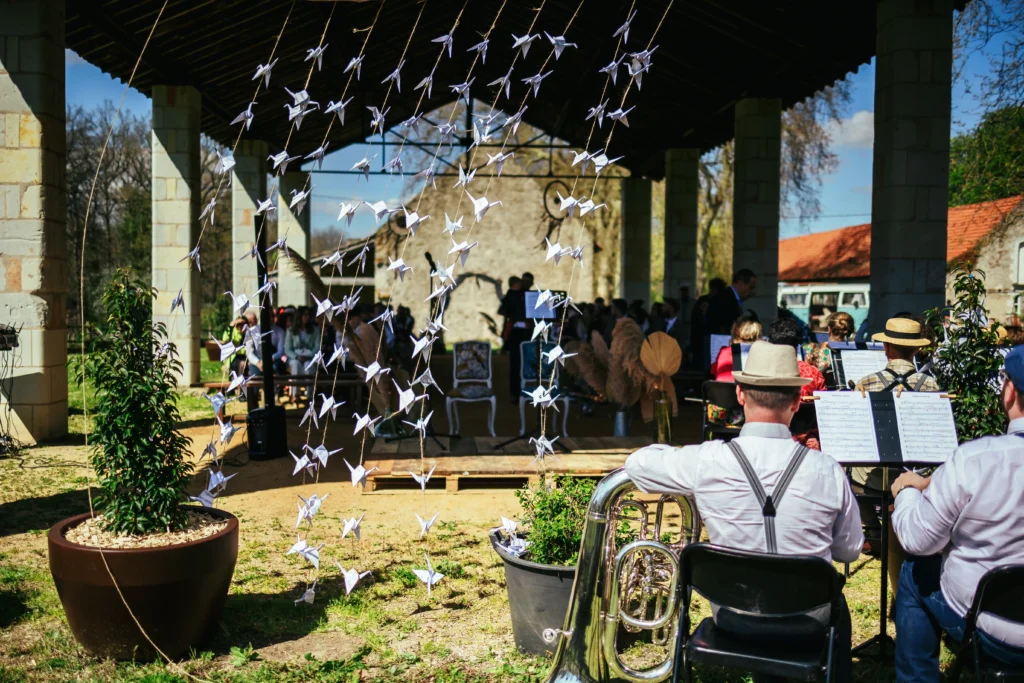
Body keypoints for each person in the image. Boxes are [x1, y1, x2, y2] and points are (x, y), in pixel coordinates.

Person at [626, 342, 862, 682]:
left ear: (739, 395)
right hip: (808, 621)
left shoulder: (708, 460)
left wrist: (677, 453)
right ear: (797, 401)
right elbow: (848, 550)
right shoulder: (828, 470)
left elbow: (637, 464)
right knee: (838, 605)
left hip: (733, 616)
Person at [889, 345, 1024, 681]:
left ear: (1009, 392)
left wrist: (907, 492)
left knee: (914, 571)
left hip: (993, 629)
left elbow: (919, 541)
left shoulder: (975, 460)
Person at [853, 316, 941, 574]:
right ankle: (901, 538)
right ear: (917, 350)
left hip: (876, 476)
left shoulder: (867, 382)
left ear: (887, 348)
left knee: (852, 476)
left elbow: (858, 434)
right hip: (915, 475)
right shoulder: (931, 385)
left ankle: (876, 535)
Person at [766, 318, 826, 398]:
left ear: (770, 344)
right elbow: (823, 402)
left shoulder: (760, 370)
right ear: (797, 345)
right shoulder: (813, 373)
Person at [804, 311, 855, 385]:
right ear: (851, 331)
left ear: (829, 329)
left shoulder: (813, 349)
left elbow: (806, 377)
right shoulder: (856, 352)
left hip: (820, 393)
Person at [707, 269, 757, 336]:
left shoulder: (730, 298)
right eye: (751, 287)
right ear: (740, 284)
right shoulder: (725, 298)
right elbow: (725, 327)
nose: (752, 292)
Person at [285, 307, 319, 401]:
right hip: (296, 357)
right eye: (305, 315)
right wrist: (296, 356)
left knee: (309, 365)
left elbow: (317, 347)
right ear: (299, 316)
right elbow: (287, 349)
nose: (307, 317)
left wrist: (310, 356)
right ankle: (295, 395)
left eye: (308, 315)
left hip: (310, 356)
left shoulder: (315, 330)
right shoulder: (291, 331)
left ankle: (310, 395)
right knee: (295, 365)